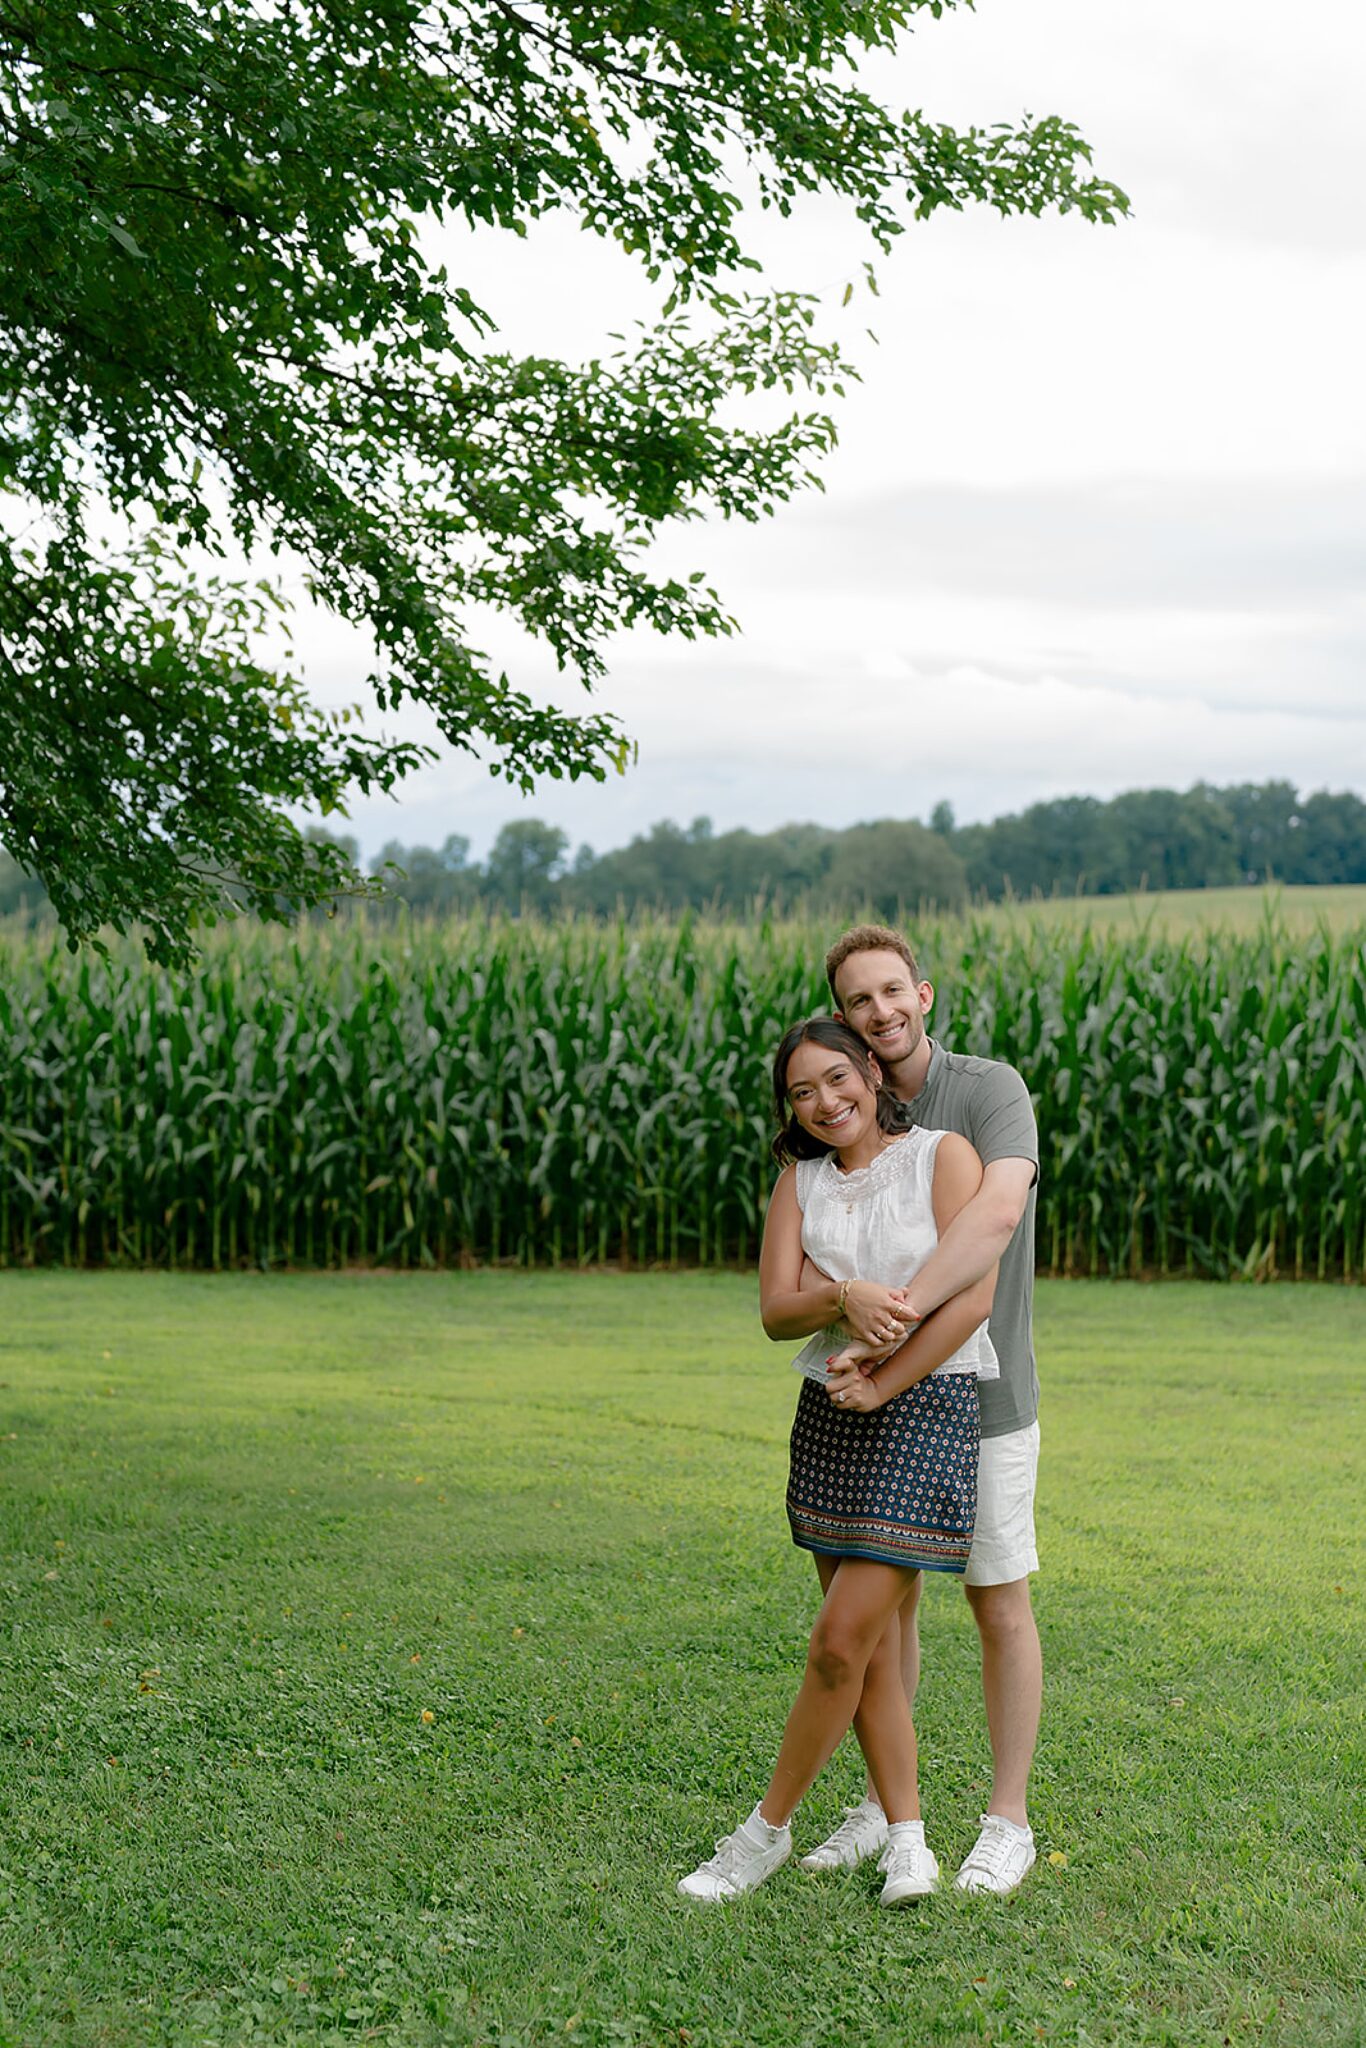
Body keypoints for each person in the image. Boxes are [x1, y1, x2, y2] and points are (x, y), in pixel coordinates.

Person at [677, 1018, 999, 1906]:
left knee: (836, 1642)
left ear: (871, 1071)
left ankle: (761, 1835)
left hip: (925, 1408)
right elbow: (777, 1311)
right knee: (870, 1653)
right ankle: (908, 1842)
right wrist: (841, 1296)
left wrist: (886, 1379)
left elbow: (973, 1297)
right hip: (831, 1412)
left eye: (836, 1078)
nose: (824, 1101)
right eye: (801, 1092)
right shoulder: (799, 1182)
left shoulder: (942, 1156)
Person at [795, 924, 1043, 1898]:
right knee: (881, 1612)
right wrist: (848, 1318)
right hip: (874, 1408)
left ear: (923, 993)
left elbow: (994, 1220)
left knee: (996, 1596)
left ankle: (1007, 1821)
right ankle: (880, 1808)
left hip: (985, 1395)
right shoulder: (848, 1102)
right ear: (842, 1018)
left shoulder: (988, 1092)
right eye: (858, 1000)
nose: (880, 1011)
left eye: (892, 991)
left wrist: (883, 1328)